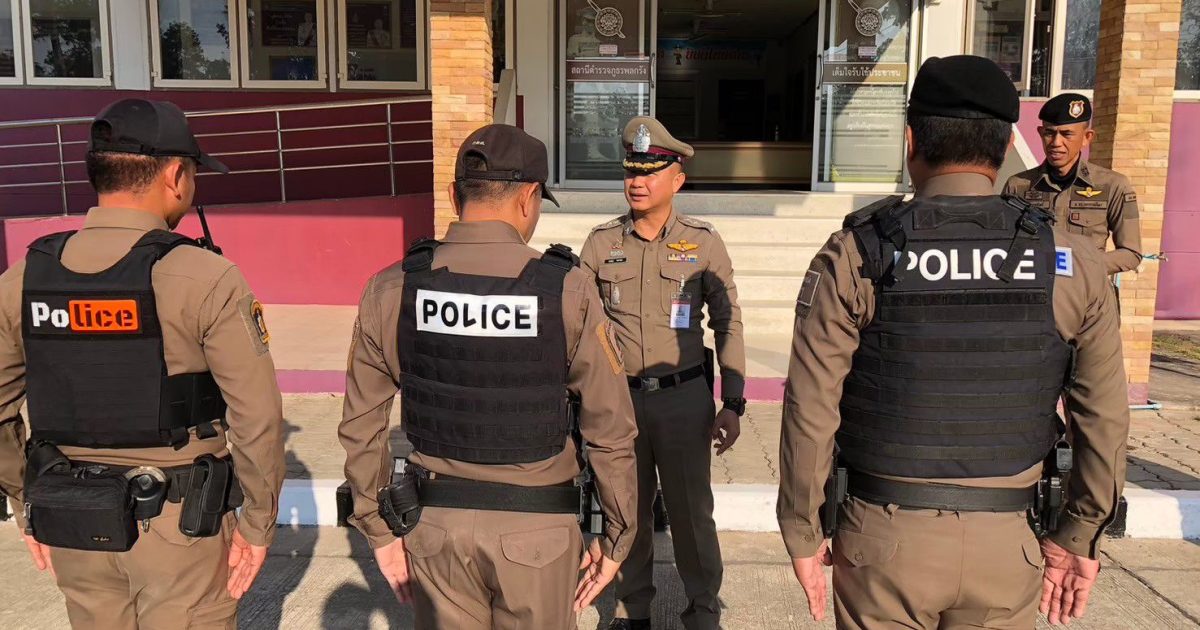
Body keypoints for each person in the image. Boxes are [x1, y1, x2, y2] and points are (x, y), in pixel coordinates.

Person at [779, 56, 1130, 629]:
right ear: (1005, 146)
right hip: (1010, 544)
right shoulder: (1070, 259)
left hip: (882, 542)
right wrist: (1081, 532)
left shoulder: (857, 253)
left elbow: (811, 408)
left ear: (911, 140)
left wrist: (802, 526)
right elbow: (1105, 416)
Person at [339, 123, 638, 629]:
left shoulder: (393, 288)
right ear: (527, 198)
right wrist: (618, 535)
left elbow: (360, 426)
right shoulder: (568, 290)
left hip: (435, 532)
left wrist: (378, 529)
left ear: (454, 195)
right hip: (538, 535)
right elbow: (609, 429)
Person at [0, 98, 285, 628]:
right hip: (181, 527)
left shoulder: (25, 278)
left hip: (72, 518)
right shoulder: (204, 277)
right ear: (175, 175)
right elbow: (258, 416)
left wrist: (28, 502)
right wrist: (257, 523)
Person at [581, 116, 746, 630]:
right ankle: (632, 611)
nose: (637, 181)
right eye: (632, 170)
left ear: (677, 180)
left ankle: (702, 611)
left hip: (683, 401)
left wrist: (733, 401)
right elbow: (580, 328)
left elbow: (727, 321)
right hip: (619, 404)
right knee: (626, 511)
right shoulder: (599, 244)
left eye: (650, 172)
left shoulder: (704, 242)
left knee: (691, 513)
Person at [1004, 93, 1142, 275]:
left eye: (1067, 134)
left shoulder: (1113, 185)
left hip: (1086, 289)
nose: (1056, 143)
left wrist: (1077, 265)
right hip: (1036, 287)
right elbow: (1002, 243)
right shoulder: (1018, 185)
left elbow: (1131, 253)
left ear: (1086, 137)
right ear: (1040, 133)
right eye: (1049, 133)